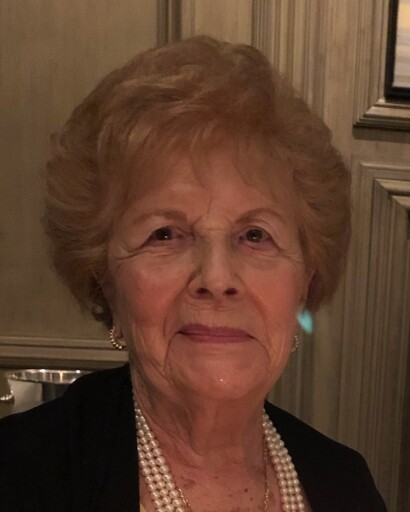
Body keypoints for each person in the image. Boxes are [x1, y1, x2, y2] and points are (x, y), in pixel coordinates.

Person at [0, 36, 387, 512]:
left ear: (304, 283)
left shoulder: (348, 484)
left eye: (255, 235)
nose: (217, 278)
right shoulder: (19, 476)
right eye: (165, 234)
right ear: (105, 281)